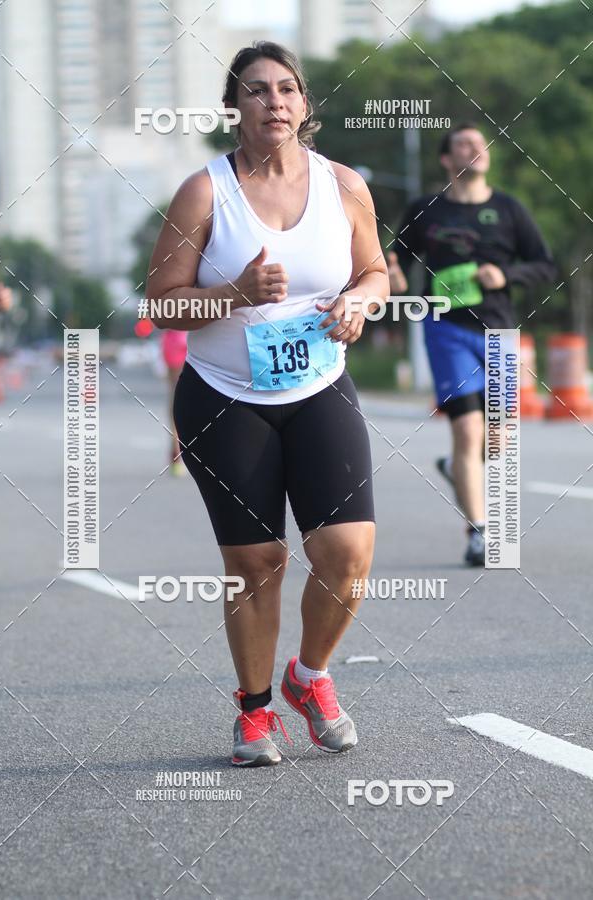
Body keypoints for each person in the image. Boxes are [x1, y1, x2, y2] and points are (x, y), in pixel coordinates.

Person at [147, 42, 389, 766]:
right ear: (234, 108)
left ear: (305, 103)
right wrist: (235, 294)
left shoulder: (344, 185)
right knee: (257, 560)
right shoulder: (204, 192)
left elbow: (377, 271)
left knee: (348, 552)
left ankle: (309, 677)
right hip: (225, 397)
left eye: (286, 89)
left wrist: (359, 301)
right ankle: (254, 713)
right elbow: (161, 302)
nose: (273, 102)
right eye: (256, 90)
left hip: (318, 386)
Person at [388, 122, 556, 566]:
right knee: (467, 429)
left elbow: (545, 264)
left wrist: (507, 275)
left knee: (496, 439)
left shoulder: (509, 209)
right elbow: (394, 259)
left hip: (499, 332)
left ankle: (456, 470)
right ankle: (480, 532)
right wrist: (393, 274)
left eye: (481, 143)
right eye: (464, 143)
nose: (476, 148)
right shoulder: (426, 208)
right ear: (447, 159)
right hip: (446, 329)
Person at [160, 329, 188, 475]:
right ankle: (176, 451)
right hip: (182, 338)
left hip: (177, 338)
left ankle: (176, 452)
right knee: (178, 394)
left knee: (176, 394)